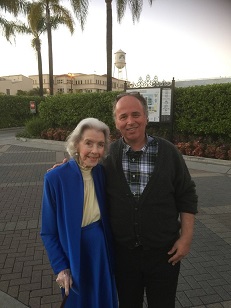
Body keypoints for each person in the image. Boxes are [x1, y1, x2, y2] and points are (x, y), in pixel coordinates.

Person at [50, 92, 198, 308]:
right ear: (116, 122)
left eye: (136, 114)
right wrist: (66, 169)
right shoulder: (108, 156)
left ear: (146, 117)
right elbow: (85, 166)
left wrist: (186, 238)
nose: (130, 121)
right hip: (123, 255)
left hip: (164, 254)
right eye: (123, 116)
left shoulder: (169, 153)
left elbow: (187, 195)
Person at [40, 118, 118, 308]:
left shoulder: (102, 172)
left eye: (100, 145)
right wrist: (61, 267)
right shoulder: (55, 178)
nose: (95, 150)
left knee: (103, 299)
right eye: (88, 143)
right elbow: (48, 231)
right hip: (73, 250)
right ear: (76, 144)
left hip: (100, 249)